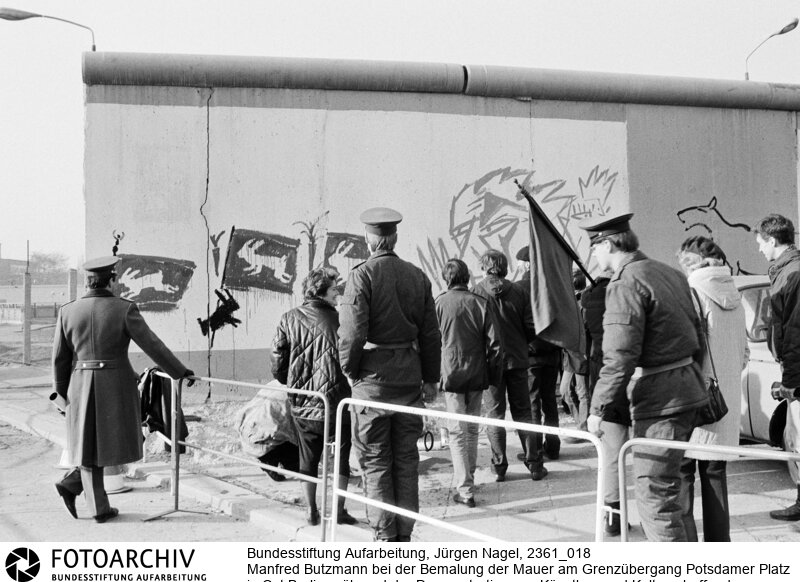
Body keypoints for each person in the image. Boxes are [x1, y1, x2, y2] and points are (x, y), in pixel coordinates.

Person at [580, 213, 708, 542]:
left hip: (661, 401)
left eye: (594, 247)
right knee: (672, 494)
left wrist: (598, 409)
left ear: (608, 244)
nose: (593, 256)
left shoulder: (626, 283)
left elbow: (619, 356)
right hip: (686, 390)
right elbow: (699, 334)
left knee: (655, 499)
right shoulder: (670, 272)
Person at [52, 256, 194, 523]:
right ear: (112, 280)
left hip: (80, 385)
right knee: (115, 439)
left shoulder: (67, 311)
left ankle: (79, 490)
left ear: (87, 282)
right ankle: (94, 505)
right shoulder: (124, 309)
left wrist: (59, 397)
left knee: (89, 442)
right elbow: (152, 344)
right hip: (115, 384)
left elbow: (59, 359)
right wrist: (179, 371)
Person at [338, 207, 441, 542]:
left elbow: (352, 334)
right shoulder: (417, 276)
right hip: (409, 381)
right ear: (394, 237)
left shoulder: (362, 276)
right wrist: (430, 379)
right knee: (406, 463)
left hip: (372, 385)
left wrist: (351, 370)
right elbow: (430, 334)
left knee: (375, 463)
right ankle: (404, 535)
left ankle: (385, 539)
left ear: (368, 240)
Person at [270, 267, 357, 526]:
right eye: (333, 290)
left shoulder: (288, 318)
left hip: (304, 401)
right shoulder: (341, 321)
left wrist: (293, 383)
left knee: (308, 457)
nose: (337, 294)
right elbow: (350, 359)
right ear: (319, 292)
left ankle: (311, 511)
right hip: (336, 402)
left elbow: (277, 364)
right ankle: (339, 511)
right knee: (340, 456)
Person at [676, 236, 747, 541]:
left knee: (682, 471)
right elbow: (743, 353)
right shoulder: (734, 291)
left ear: (691, 263)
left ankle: (686, 548)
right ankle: (720, 546)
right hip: (725, 397)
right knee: (715, 472)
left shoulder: (693, 290)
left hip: (696, 395)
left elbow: (689, 346)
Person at [435, 258, 503, 508]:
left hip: (451, 374)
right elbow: (496, 345)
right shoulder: (480, 303)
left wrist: (432, 376)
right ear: (467, 278)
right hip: (477, 373)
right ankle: (468, 483)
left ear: (446, 278)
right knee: (472, 429)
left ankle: (465, 489)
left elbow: (433, 341)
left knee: (457, 432)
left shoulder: (440, 303)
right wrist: (492, 375)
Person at [473, 249, 545, 480]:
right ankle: (534, 463)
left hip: (490, 362)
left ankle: (499, 467)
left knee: (495, 415)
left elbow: (475, 331)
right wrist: (526, 345)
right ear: (504, 267)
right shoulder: (519, 291)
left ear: (484, 268)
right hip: (518, 359)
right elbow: (531, 327)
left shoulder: (477, 292)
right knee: (524, 412)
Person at [753, 213, 800, 521]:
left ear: (772, 240)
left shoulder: (793, 273)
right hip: (793, 370)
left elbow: (795, 330)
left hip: (797, 373)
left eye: (760, 242)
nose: (758, 248)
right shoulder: (786, 272)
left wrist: (793, 382)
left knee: (797, 440)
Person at [579, 266, 630, 536]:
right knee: (645, 452)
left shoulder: (588, 298)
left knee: (611, 455)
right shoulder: (629, 291)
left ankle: (613, 518)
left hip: (603, 378)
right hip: (636, 378)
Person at [514, 245, 562, 461]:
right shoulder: (551, 286)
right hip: (551, 352)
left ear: (525, 264)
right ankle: (553, 447)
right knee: (550, 401)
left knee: (532, 402)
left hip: (530, 354)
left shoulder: (517, 288)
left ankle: (535, 451)